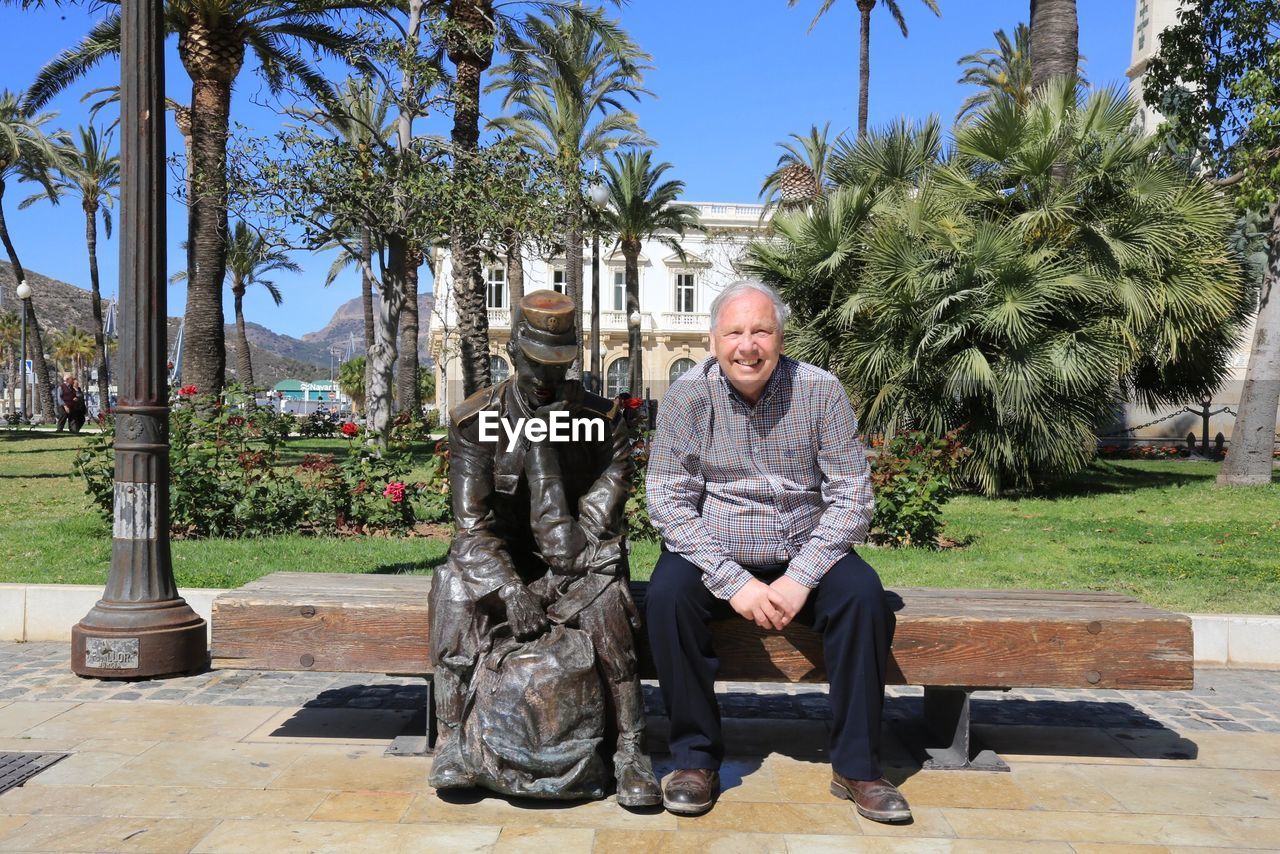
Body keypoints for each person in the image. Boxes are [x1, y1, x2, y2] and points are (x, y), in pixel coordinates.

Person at [644, 279, 908, 822]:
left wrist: (801, 576)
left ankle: (857, 767)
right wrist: (732, 581)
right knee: (666, 596)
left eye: (761, 330)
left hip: (803, 544)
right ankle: (694, 759)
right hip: (714, 547)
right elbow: (667, 501)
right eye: (735, 332)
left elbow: (852, 496)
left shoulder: (821, 391)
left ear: (780, 338)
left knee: (863, 597)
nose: (748, 345)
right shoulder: (686, 397)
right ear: (714, 340)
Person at [428, 289, 661, 807]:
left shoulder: (604, 422)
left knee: (607, 609)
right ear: (513, 354)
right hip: (503, 563)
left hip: (577, 560)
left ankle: (629, 749)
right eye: (537, 366)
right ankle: (450, 742)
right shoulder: (475, 421)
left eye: (560, 367)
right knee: (453, 590)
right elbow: (472, 527)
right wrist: (510, 589)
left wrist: (543, 449)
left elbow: (579, 539)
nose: (550, 380)